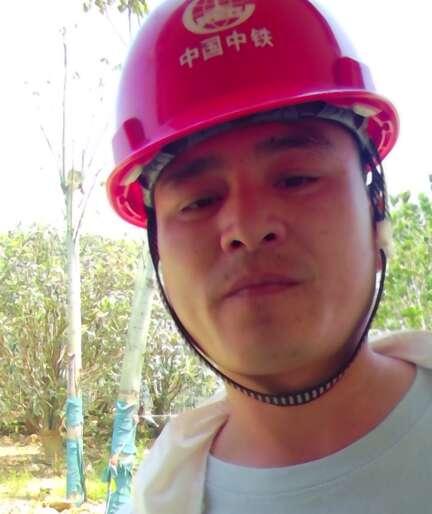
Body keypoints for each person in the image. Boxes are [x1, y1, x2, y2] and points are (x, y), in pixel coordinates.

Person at [107, 1, 432, 512]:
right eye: (199, 202)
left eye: (296, 178)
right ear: (159, 255)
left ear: (375, 212)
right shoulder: (163, 498)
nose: (247, 227)